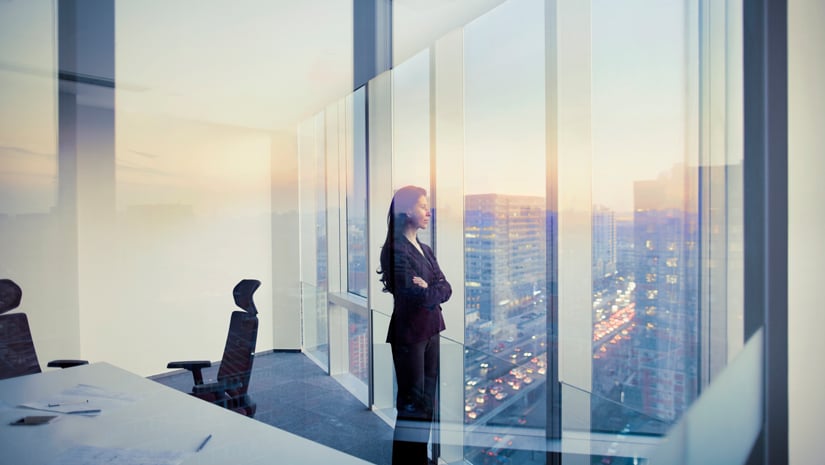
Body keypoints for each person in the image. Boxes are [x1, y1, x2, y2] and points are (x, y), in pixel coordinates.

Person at [378, 185, 452, 465]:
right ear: (407, 210)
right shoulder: (394, 250)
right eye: (423, 206)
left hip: (432, 330)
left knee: (427, 401)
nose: (428, 211)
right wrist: (432, 289)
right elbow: (411, 295)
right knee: (411, 403)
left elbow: (446, 287)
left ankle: (419, 458)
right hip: (409, 335)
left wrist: (430, 287)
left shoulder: (426, 249)